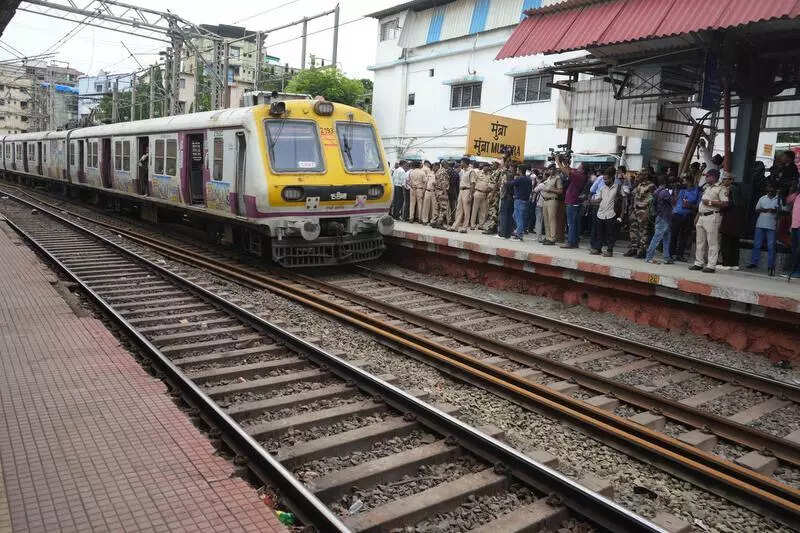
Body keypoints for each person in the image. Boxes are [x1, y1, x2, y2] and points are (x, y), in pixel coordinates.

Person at [689, 168, 729, 273]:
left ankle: (711, 265)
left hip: (712, 216)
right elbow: (702, 203)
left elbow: (725, 203)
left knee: (712, 242)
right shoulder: (707, 188)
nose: (706, 178)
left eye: (708, 176)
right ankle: (698, 263)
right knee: (700, 241)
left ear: (714, 177)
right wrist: (697, 216)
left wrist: (710, 203)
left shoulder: (721, 188)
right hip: (702, 216)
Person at [747, 181, 779, 276]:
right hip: (760, 224)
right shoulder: (762, 198)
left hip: (772, 225)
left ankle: (770, 265)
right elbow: (756, 209)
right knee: (757, 244)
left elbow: (783, 211)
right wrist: (763, 210)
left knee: (771, 246)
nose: (770, 190)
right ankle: (754, 263)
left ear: (775, 189)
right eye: (769, 188)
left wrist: (775, 210)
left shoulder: (778, 199)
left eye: (772, 188)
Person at [589, 166, 621, 256]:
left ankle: (609, 251)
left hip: (611, 213)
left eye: (606, 179)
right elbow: (599, 199)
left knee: (610, 234)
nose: (604, 181)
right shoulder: (603, 188)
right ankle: (598, 249)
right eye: (604, 179)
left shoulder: (617, 188)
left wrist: (620, 215)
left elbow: (622, 201)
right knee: (599, 232)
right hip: (601, 213)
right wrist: (591, 201)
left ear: (612, 178)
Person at [557, 157, 587, 248]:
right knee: (576, 223)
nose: (577, 167)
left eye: (579, 166)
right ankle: (575, 242)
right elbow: (569, 169)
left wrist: (558, 162)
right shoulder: (581, 175)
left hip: (573, 202)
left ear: (582, 169)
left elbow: (566, 171)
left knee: (571, 223)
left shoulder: (579, 176)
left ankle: (570, 242)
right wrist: (565, 163)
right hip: (575, 202)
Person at [625, 170, 656, 258]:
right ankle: (634, 248)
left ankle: (642, 251)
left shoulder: (651, 186)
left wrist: (647, 213)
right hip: (636, 210)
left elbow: (652, 201)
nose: (637, 176)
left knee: (643, 231)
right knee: (633, 229)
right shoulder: (639, 184)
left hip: (644, 211)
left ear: (645, 176)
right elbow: (635, 197)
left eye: (640, 174)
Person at [644, 174, 675, 264]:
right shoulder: (664, 192)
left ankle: (667, 257)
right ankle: (649, 257)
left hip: (660, 217)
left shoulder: (657, 191)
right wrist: (673, 193)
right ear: (666, 182)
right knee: (657, 238)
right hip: (664, 218)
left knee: (666, 238)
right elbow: (672, 201)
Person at [670, 175, 700, 262]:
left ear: (689, 181)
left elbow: (698, 206)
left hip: (688, 216)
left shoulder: (697, 191)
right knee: (674, 235)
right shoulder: (681, 190)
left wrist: (690, 206)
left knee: (684, 236)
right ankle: (671, 254)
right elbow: (675, 201)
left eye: (684, 181)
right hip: (677, 214)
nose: (683, 183)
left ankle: (680, 255)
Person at [719, 173, 742, 270]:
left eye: (725, 179)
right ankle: (734, 263)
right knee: (734, 242)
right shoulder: (738, 189)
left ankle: (726, 263)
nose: (723, 181)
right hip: (737, 219)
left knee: (726, 241)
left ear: (730, 180)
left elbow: (727, 204)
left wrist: (720, 207)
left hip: (729, 218)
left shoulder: (729, 189)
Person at [480, 158, 508, 234]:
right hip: (491, 193)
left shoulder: (499, 172)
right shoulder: (495, 171)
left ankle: (492, 228)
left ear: (498, 165)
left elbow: (496, 184)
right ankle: (492, 227)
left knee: (493, 211)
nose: (492, 165)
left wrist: (492, 195)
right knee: (491, 211)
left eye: (494, 164)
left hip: (494, 194)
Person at [449, 158, 475, 233]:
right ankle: (455, 226)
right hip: (461, 191)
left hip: (467, 190)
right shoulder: (463, 171)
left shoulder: (471, 171)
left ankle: (464, 227)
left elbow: (473, 184)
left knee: (466, 210)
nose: (461, 164)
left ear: (465, 163)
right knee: (458, 209)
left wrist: (471, 195)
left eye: (462, 162)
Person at [540, 166, 563, 245]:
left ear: (555, 170)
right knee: (546, 220)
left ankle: (552, 238)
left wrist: (550, 189)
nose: (550, 170)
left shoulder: (557, 178)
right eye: (549, 169)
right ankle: (547, 237)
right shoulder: (548, 178)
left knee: (551, 219)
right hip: (545, 200)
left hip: (552, 200)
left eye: (552, 169)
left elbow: (560, 191)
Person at [509, 166, 532, 241]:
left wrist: (505, 182)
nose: (517, 171)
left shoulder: (520, 178)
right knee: (515, 216)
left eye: (518, 170)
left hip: (519, 200)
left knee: (519, 218)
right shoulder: (529, 179)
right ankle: (519, 231)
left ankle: (519, 234)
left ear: (520, 171)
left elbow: (511, 184)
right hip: (525, 200)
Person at [784, 184, 800, 280]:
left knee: (798, 250)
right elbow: (787, 200)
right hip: (794, 227)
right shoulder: (797, 196)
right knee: (794, 249)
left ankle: (797, 271)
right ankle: (794, 270)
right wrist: (793, 191)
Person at [430, 161, 452, 228]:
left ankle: (435, 222)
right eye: (447, 164)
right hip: (442, 192)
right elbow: (444, 184)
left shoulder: (438, 172)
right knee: (443, 208)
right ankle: (440, 223)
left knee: (439, 207)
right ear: (445, 164)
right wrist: (445, 194)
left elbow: (436, 183)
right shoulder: (443, 172)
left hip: (437, 192)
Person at [470, 163, 492, 229]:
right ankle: (472, 225)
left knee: (483, 210)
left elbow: (490, 185)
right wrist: (472, 192)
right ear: (483, 167)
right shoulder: (478, 173)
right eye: (485, 167)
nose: (486, 168)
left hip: (485, 194)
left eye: (487, 167)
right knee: (475, 210)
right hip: (477, 192)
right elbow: (473, 182)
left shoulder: (490, 175)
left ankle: (481, 225)